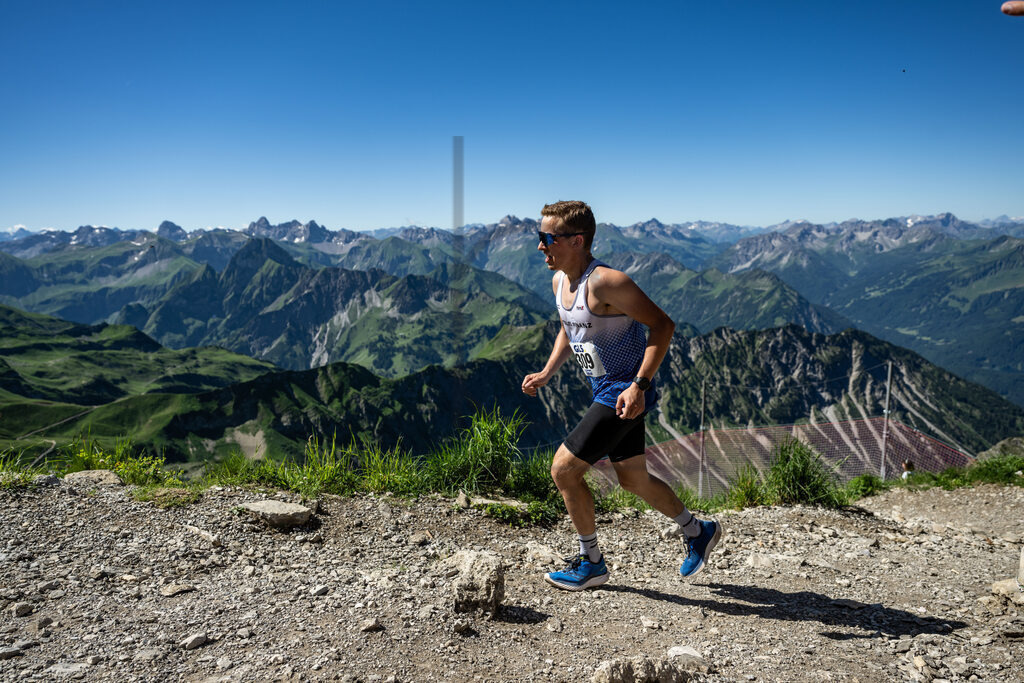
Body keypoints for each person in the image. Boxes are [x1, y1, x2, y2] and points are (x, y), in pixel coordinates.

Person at [521, 200, 722, 591]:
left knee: (563, 470)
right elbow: (569, 326)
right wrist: (547, 371)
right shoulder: (560, 281)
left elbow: (662, 325)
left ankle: (592, 562)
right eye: (539, 236)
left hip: (623, 392)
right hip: (606, 390)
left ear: (577, 240)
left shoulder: (608, 282)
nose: (541, 245)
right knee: (633, 479)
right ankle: (698, 531)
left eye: (548, 237)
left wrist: (639, 385)